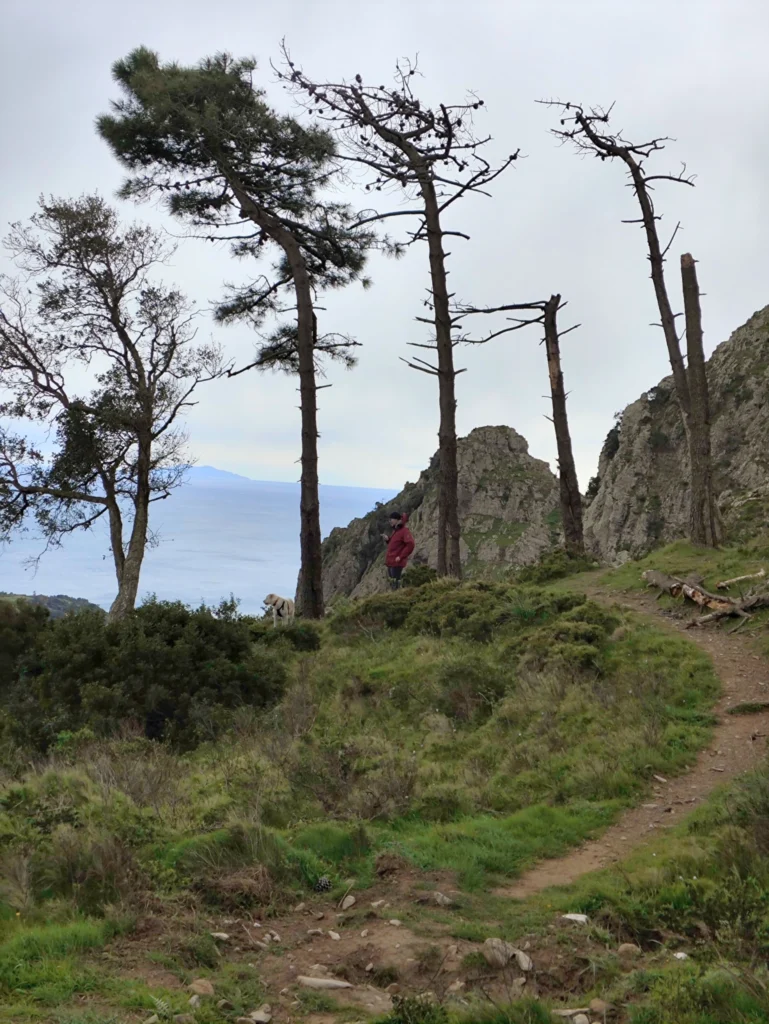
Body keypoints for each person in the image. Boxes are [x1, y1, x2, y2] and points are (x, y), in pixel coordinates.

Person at [384, 511, 415, 590]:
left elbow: (410, 544)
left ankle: (397, 599)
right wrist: (388, 540)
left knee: (396, 584)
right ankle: (395, 599)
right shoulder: (396, 531)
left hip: (397, 562)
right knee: (393, 583)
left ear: (398, 520)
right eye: (390, 519)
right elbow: (396, 544)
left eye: (392, 519)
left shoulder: (404, 531)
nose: (390, 521)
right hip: (391, 562)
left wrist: (401, 557)